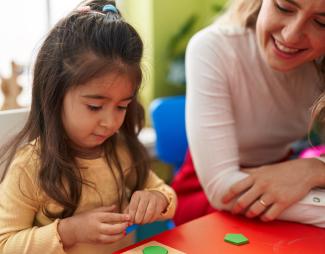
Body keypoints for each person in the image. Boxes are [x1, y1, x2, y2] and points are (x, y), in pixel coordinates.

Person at [0, 1, 177, 253]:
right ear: (54, 95)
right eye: (95, 107)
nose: (111, 122)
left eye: (122, 106)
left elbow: (168, 195)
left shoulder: (120, 150)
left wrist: (156, 199)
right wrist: (68, 232)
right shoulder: (29, 165)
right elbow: (4, 244)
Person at [172, 0, 325, 227]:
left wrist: (314, 170)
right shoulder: (214, 48)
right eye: (283, 7)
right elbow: (222, 187)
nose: (291, 35)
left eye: (321, 22)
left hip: (285, 185)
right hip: (212, 195)